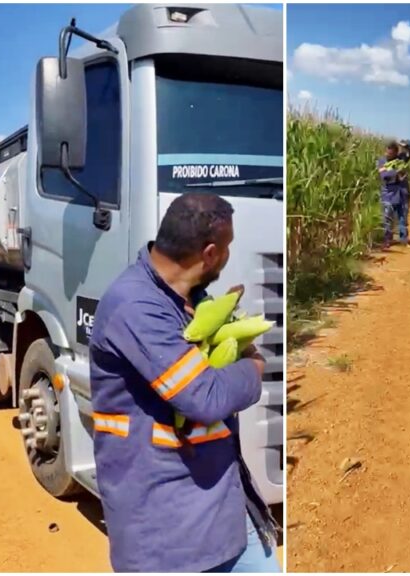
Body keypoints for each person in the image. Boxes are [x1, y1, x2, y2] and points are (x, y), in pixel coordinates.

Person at [89, 192, 281, 572]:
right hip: (167, 523)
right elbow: (204, 397)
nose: (227, 257)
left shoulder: (191, 298)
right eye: (227, 249)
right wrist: (254, 367)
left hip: (220, 501)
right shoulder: (136, 306)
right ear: (210, 254)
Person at [377, 141, 408, 248]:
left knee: (402, 217)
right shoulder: (382, 161)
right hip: (388, 194)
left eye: (390, 153)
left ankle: (403, 239)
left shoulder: (401, 159)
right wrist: (397, 172)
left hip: (402, 194)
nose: (387, 154)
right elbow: (384, 175)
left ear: (396, 153)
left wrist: (405, 145)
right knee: (387, 218)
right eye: (387, 152)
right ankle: (387, 239)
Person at [396, 139, 410, 237]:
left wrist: (406, 146)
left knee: (403, 213)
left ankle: (403, 237)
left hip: (402, 189)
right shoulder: (394, 159)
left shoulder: (402, 157)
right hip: (396, 190)